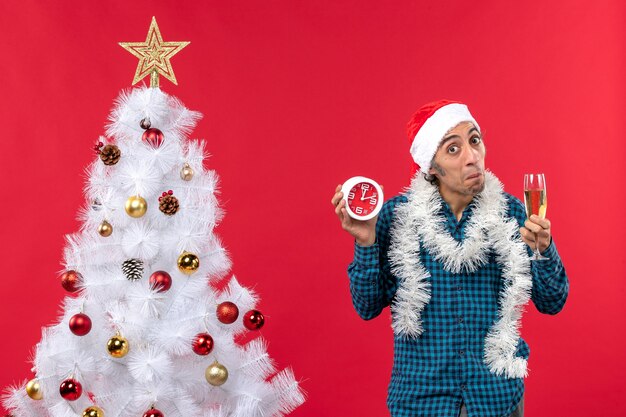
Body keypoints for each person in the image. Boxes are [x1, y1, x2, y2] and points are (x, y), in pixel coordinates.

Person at [331, 100, 569, 417]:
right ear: (431, 166)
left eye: (474, 140)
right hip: (421, 401)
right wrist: (365, 242)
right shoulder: (397, 217)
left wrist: (543, 250)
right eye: (453, 150)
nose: (472, 157)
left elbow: (553, 301)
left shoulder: (512, 213)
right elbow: (367, 307)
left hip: (496, 399)